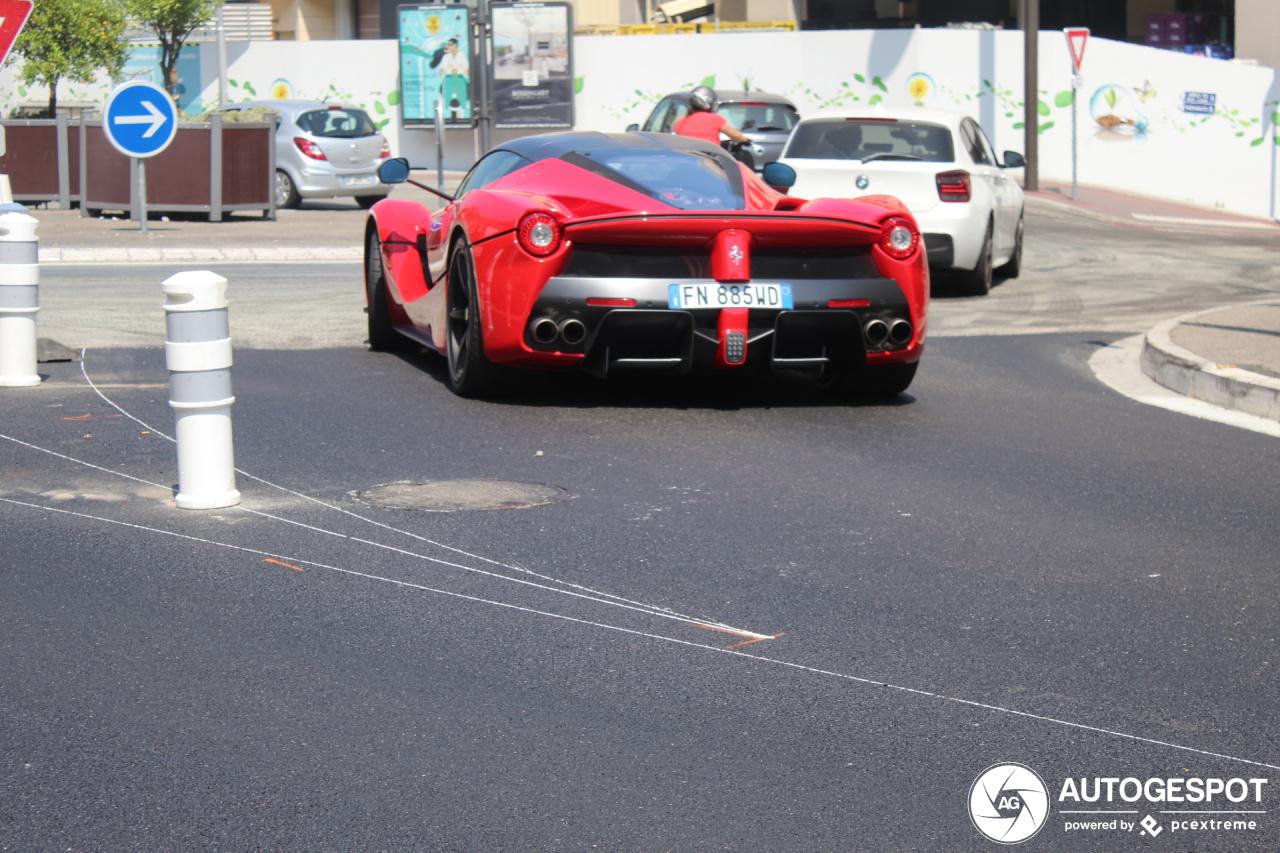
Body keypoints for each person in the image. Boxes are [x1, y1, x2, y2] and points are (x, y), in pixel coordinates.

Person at [674, 86, 751, 146]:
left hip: (687, 159)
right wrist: (747, 140)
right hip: (710, 159)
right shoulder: (715, 119)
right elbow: (735, 135)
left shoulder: (681, 121)